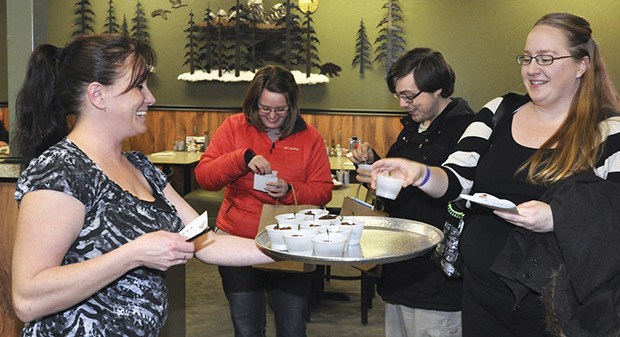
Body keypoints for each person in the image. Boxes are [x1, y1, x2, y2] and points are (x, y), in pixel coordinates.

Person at [369, 13, 620, 336]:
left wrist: (558, 216)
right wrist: (420, 174)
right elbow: (456, 180)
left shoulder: (608, 131)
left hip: (556, 310)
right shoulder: (499, 111)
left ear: (581, 65)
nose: (531, 69)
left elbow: (613, 213)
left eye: (546, 58)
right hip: (481, 299)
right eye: (527, 58)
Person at [11, 34, 274, 337]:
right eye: (138, 86)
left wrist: (286, 249)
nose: (150, 98)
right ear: (98, 95)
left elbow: (207, 242)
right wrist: (133, 254)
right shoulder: (60, 171)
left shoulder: (140, 166)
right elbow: (27, 298)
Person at [194, 65, 332, 337]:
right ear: (253, 103)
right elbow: (205, 178)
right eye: (264, 108)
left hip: (289, 245)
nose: (271, 116)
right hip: (238, 240)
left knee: (292, 328)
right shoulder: (233, 127)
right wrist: (241, 159)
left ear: (292, 105)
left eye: (280, 110)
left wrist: (291, 190)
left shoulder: (310, 138)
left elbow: (323, 190)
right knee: (246, 329)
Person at [350, 48, 473, 337]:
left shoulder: (467, 130)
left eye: (410, 95)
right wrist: (372, 164)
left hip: (438, 281)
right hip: (401, 271)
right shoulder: (412, 129)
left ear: (439, 87)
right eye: (399, 96)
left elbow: (459, 193)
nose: (404, 103)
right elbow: (399, 188)